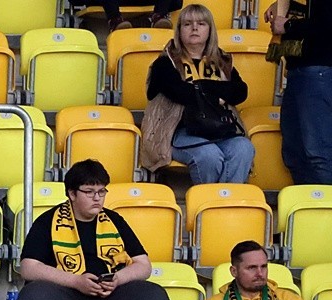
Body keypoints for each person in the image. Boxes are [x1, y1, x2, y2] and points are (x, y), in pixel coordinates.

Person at [14, 160, 171, 300]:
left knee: (155, 298)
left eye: (101, 192)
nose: (97, 198)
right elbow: (28, 267)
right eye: (89, 192)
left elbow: (143, 264)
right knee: (33, 297)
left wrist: (117, 279)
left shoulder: (114, 220)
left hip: (109, 293)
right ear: (72, 194)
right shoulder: (48, 221)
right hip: (66, 292)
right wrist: (75, 281)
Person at [141, 4, 254, 185]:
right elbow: (181, 93)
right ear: (179, 31)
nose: (194, 28)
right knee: (209, 155)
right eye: (187, 24)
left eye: (201, 24)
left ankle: (226, 199)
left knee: (244, 148)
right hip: (178, 132)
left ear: (210, 30)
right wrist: (218, 92)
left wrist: (201, 87)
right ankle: (209, 200)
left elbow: (240, 91)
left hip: (219, 127)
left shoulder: (221, 60)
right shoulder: (165, 63)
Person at [269, 0, 332, 186]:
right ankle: (307, 202)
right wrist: (283, 7)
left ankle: (324, 203)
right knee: (295, 151)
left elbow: (326, 23)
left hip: (318, 71)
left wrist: (288, 24)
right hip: (299, 71)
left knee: (317, 152)